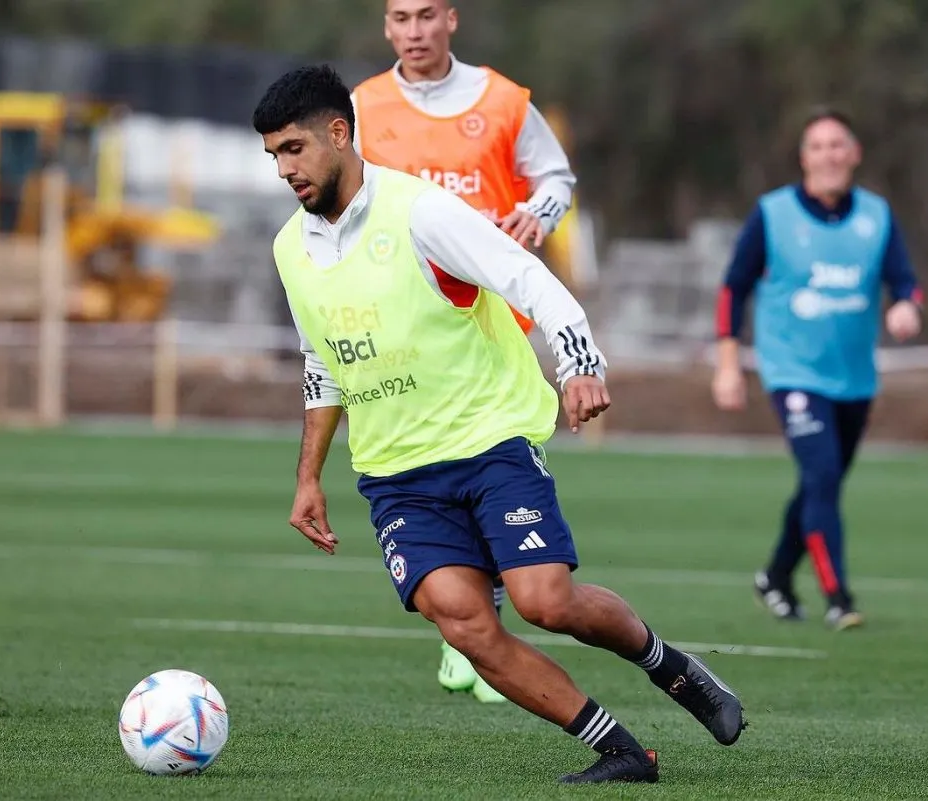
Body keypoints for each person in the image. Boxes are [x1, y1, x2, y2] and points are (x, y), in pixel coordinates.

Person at [255, 64, 744, 785]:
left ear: (338, 132)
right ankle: (621, 751)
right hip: (395, 474)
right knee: (466, 625)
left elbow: (527, 277)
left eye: (293, 148)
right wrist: (307, 478)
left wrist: (579, 362)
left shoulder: (420, 212)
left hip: (487, 442)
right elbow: (322, 364)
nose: (284, 169)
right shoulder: (289, 249)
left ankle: (669, 665)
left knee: (544, 601)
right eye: (273, 156)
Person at [351, 0, 578, 703]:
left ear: (452, 19)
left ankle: (487, 619)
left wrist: (536, 215)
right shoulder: (362, 107)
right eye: (399, 17)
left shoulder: (503, 101)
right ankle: (472, 626)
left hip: (493, 317)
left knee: (494, 453)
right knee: (429, 462)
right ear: (385, 26)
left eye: (425, 15)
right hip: (405, 324)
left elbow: (556, 179)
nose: (413, 31)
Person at [712, 106, 923, 631]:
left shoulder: (877, 215)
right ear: (803, 157)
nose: (828, 155)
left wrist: (907, 306)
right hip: (793, 374)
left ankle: (776, 576)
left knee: (818, 484)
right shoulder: (774, 213)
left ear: (854, 154)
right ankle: (839, 597)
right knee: (823, 475)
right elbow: (732, 288)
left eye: (837, 145)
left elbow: (905, 280)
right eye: (817, 146)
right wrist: (728, 363)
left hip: (854, 378)